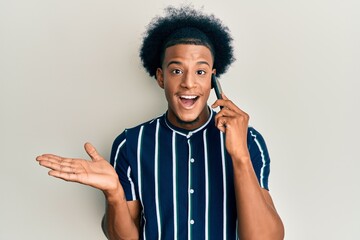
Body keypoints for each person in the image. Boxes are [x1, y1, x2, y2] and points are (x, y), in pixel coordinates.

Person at [36, 5, 284, 240]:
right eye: (177, 71)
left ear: (212, 79)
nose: (188, 82)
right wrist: (113, 194)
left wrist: (240, 157)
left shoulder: (249, 140)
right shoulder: (130, 144)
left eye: (200, 71)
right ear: (160, 77)